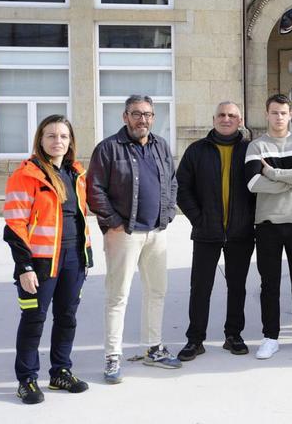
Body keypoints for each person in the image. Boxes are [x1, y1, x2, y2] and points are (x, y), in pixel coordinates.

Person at [87, 94, 180, 384]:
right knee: (118, 296)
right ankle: (112, 356)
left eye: (148, 114)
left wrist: (167, 214)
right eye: (137, 114)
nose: (143, 120)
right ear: (124, 116)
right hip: (124, 234)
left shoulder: (160, 145)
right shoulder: (108, 149)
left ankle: (153, 348)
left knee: (157, 292)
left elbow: (172, 182)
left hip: (156, 232)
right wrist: (113, 223)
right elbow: (94, 190)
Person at [3, 115, 92, 404]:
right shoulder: (25, 175)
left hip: (74, 260)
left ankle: (60, 372)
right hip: (40, 263)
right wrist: (24, 266)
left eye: (63, 136)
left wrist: (85, 258)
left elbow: (80, 218)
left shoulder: (76, 173)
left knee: (67, 318)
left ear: (70, 141)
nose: (58, 141)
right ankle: (27, 380)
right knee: (34, 319)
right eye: (51, 136)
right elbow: (14, 225)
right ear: (40, 140)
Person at [176, 102, 256, 361]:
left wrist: (250, 220)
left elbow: (259, 188)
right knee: (200, 287)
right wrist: (198, 219)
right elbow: (182, 189)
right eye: (221, 115)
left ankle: (233, 335)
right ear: (213, 119)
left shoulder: (250, 151)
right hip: (206, 232)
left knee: (237, 286)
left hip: (240, 233)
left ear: (240, 120)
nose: (226, 119)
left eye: (231, 115)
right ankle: (195, 339)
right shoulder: (197, 151)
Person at [245, 94, 292, 359]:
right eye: (275, 112)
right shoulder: (256, 147)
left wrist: (275, 173)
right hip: (268, 225)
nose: (279, 117)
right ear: (267, 114)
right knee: (270, 284)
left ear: (291, 115)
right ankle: (270, 337)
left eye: (284, 113)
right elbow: (253, 184)